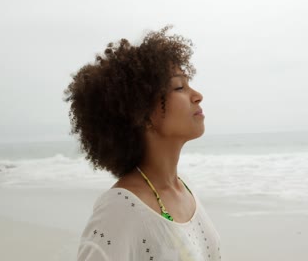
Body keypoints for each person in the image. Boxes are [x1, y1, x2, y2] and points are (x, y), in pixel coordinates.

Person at [64, 26, 221, 261]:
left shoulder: (184, 189)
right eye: (179, 87)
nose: (197, 95)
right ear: (142, 113)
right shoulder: (119, 210)